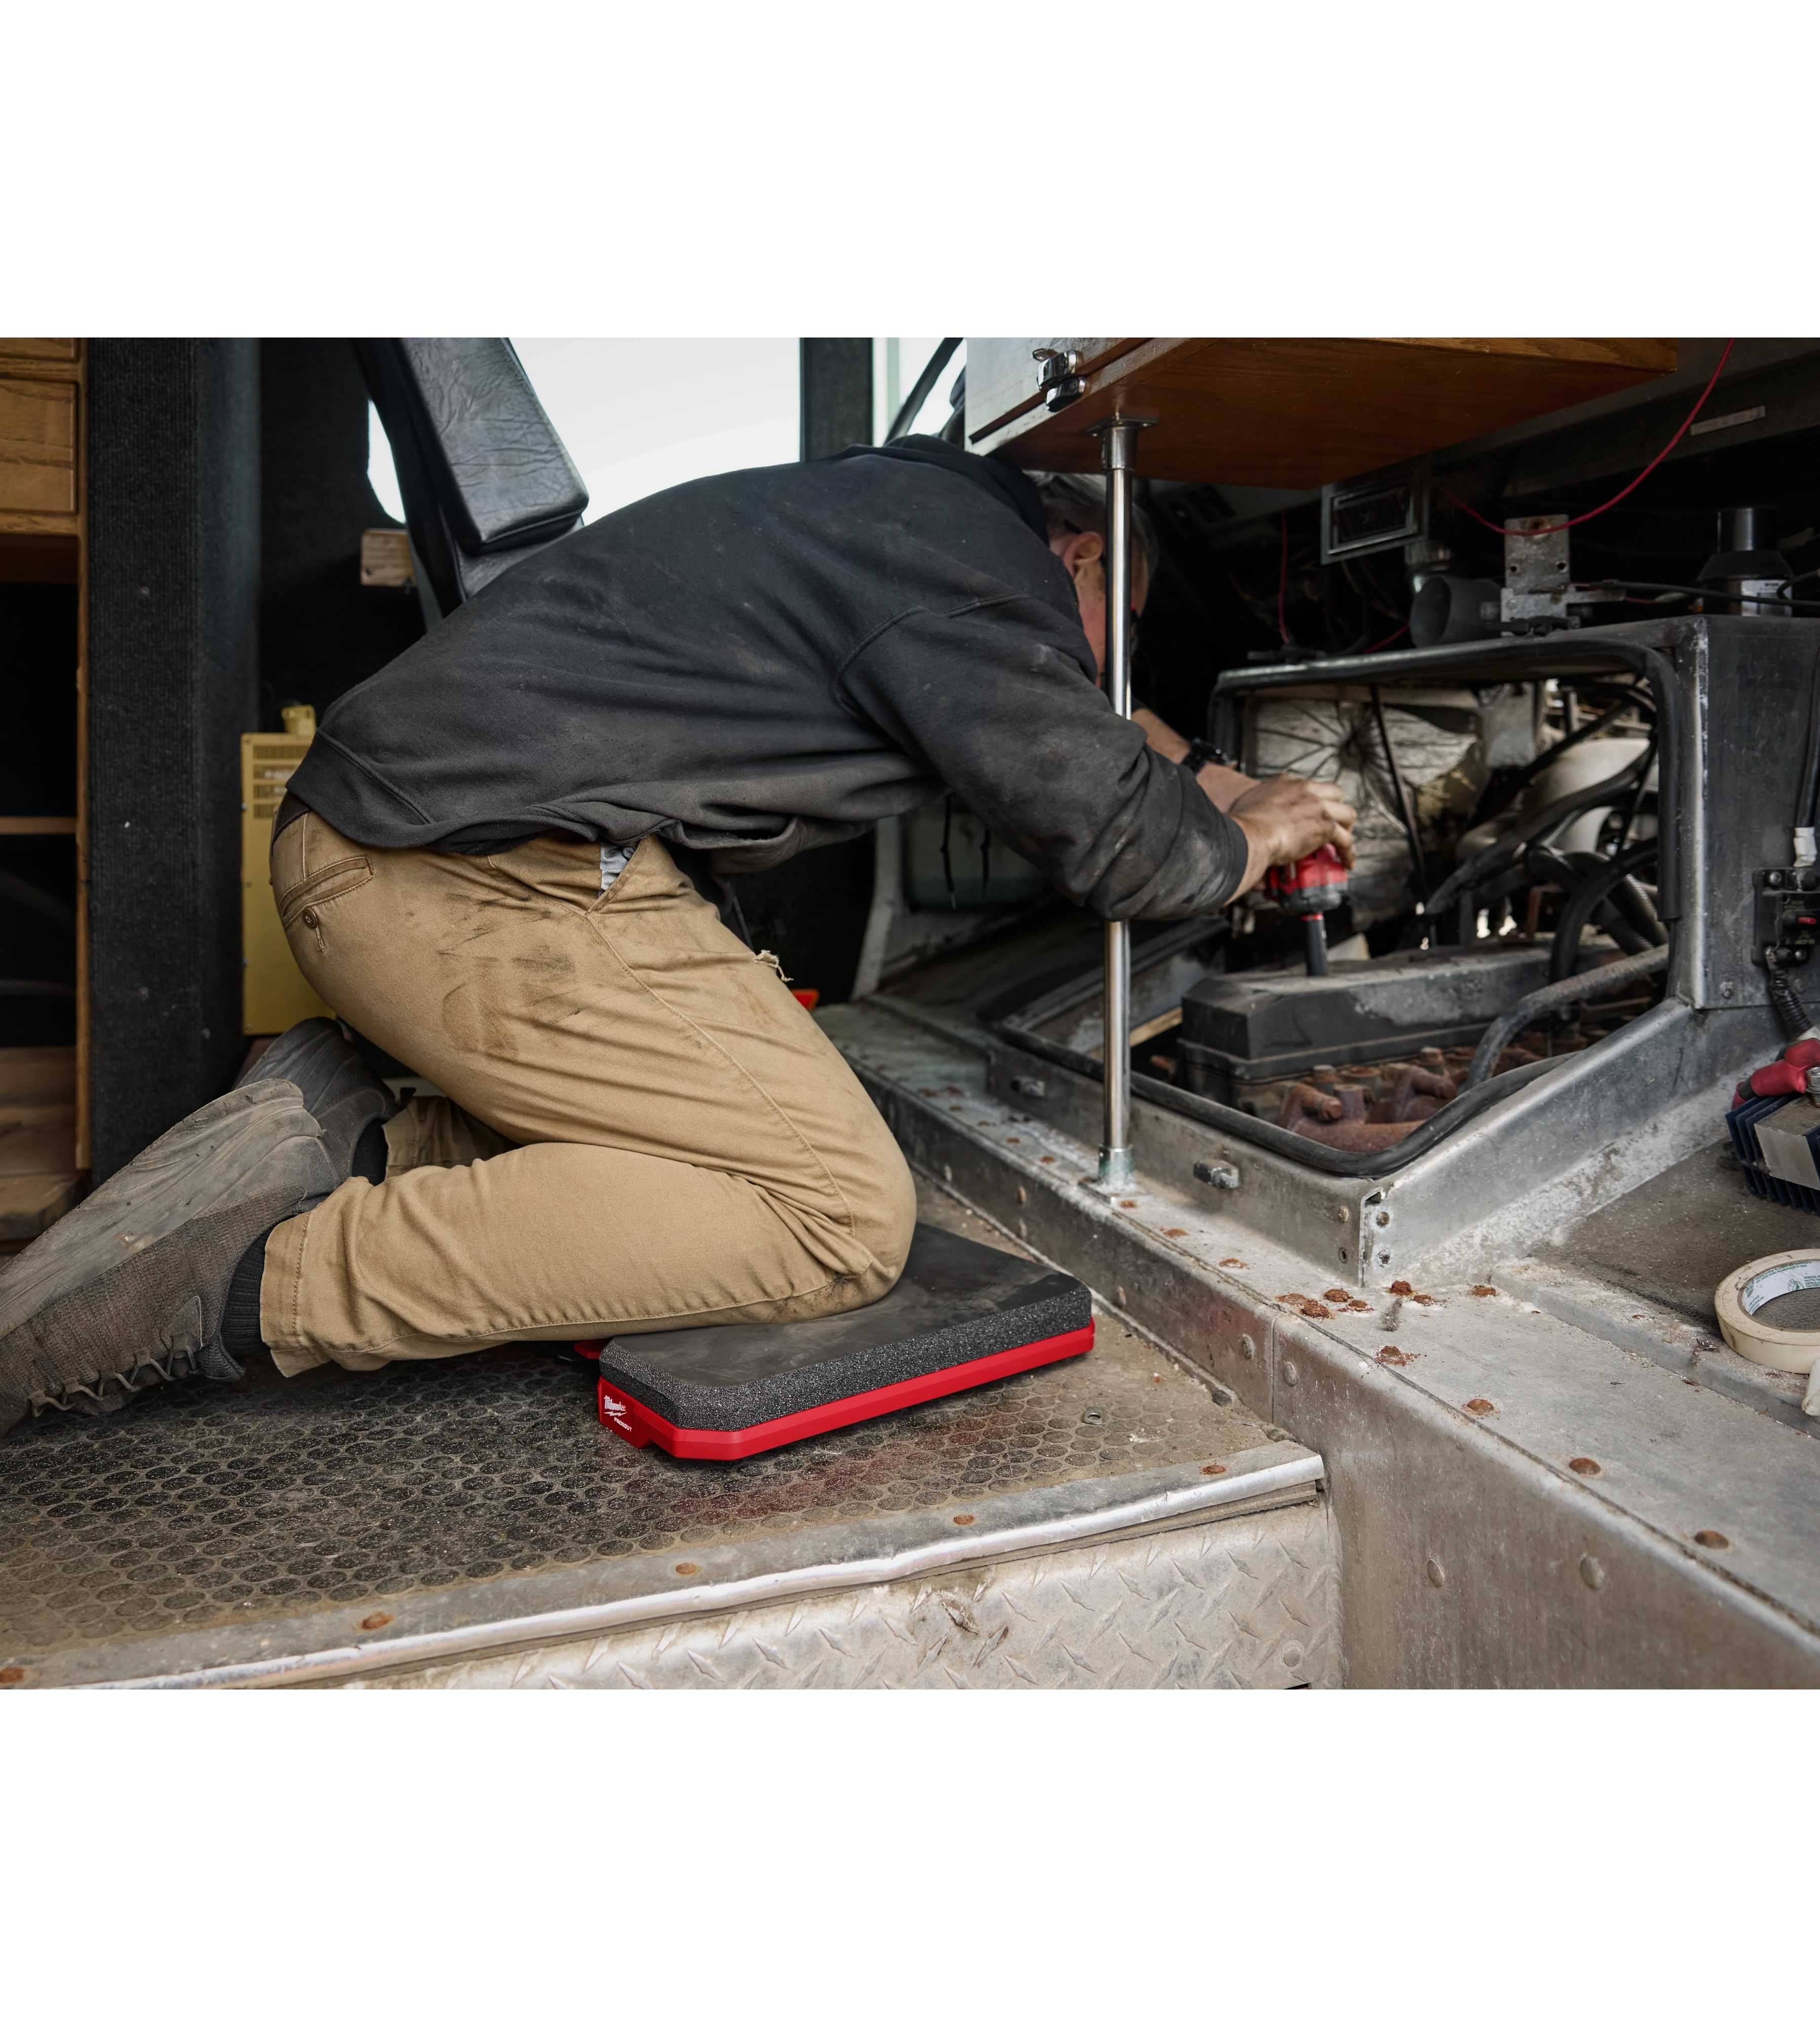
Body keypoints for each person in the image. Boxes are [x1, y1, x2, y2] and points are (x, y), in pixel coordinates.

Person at [0, 438, 1352, 1430]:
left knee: (721, 1136)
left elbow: (1077, 723)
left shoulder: (915, 519)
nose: (1096, 672)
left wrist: (1190, 762)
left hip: (421, 854)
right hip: (460, 883)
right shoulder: (975, 575)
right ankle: (234, 1288)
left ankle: (344, 1136)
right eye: (1113, 631)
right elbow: (1132, 850)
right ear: (1081, 552)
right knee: (836, 1216)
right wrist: (1250, 834)